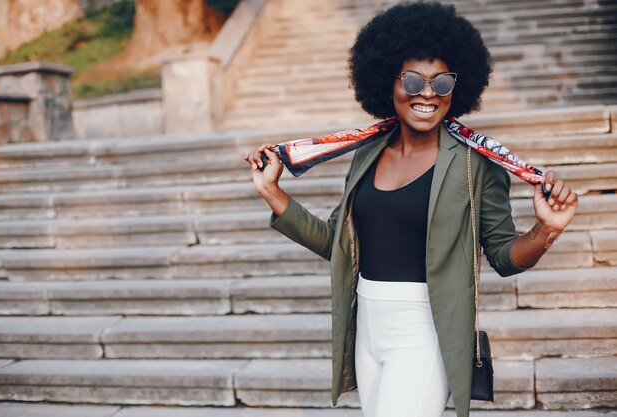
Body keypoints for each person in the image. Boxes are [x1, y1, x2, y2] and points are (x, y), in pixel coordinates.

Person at [242, 2, 578, 417]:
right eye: (414, 80)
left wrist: (546, 230)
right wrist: (273, 193)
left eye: (441, 83)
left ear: (457, 89)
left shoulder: (475, 164)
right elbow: (339, 244)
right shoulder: (366, 154)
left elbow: (504, 258)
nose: (427, 93)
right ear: (389, 82)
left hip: (426, 328)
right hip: (367, 327)